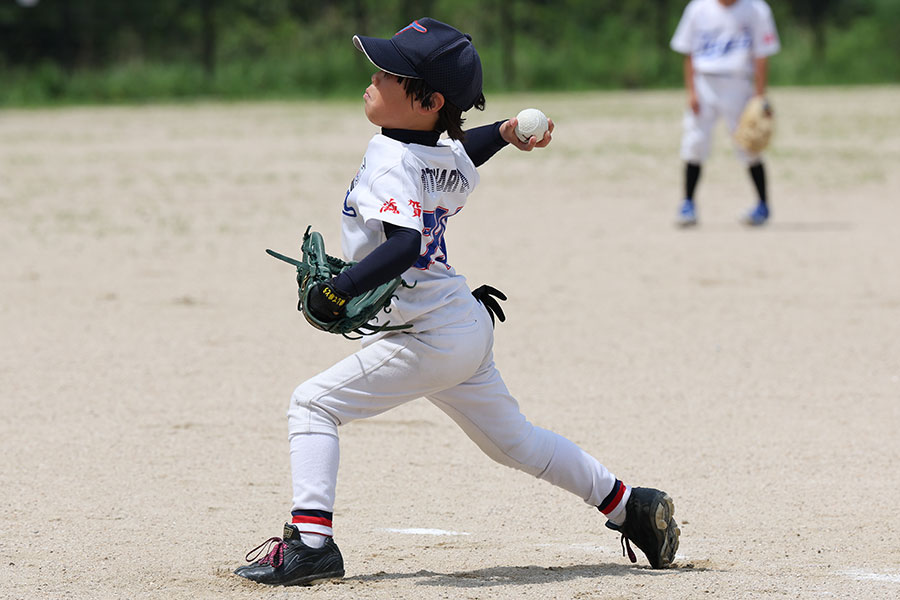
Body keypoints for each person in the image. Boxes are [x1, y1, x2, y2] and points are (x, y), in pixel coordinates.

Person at [234, 18, 680, 587]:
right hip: (458, 325)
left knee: (312, 406)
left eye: (393, 72)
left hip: (425, 336)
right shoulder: (431, 152)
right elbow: (459, 149)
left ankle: (312, 544)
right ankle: (629, 506)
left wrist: (338, 289)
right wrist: (507, 130)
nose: (375, 76)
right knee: (515, 443)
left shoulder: (393, 157)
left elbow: (404, 245)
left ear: (429, 100)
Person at [670, 0, 781, 227]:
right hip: (705, 82)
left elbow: (762, 56)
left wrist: (759, 97)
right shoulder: (698, 8)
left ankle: (762, 205)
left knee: (749, 145)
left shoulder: (756, 9)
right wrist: (691, 91)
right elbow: (689, 52)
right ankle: (688, 204)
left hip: (738, 83)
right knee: (694, 143)